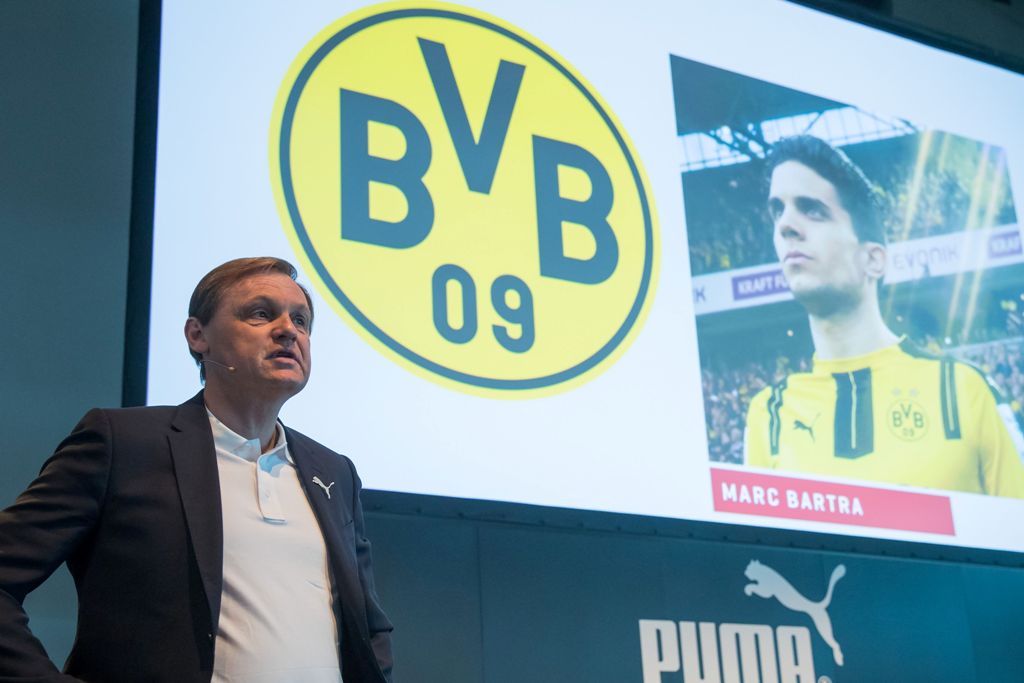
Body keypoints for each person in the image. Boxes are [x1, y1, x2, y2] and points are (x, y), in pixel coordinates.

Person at [0, 257, 393, 681]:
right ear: (197, 335)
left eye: (301, 320)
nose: (288, 330)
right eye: (261, 313)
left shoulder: (334, 472)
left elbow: (368, 628)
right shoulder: (124, 443)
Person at [744, 136, 1024, 497]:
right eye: (777, 210)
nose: (786, 225)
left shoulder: (963, 390)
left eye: (812, 209)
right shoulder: (768, 415)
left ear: (873, 259)